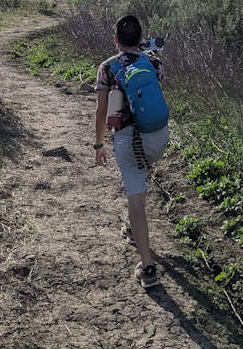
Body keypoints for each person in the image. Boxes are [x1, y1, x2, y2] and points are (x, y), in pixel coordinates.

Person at [93, 14, 170, 289]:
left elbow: (102, 111)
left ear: (115, 39)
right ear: (140, 37)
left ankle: (148, 267)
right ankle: (133, 229)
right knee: (142, 176)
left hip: (128, 140)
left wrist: (99, 144)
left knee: (135, 198)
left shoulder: (107, 68)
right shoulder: (152, 61)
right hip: (158, 135)